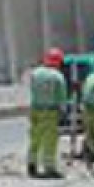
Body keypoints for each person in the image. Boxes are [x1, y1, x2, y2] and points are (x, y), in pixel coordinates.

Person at [28, 47, 67, 178]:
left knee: (35, 137)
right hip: (50, 111)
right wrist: (63, 113)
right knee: (50, 140)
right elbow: (62, 97)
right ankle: (49, 168)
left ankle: (31, 164)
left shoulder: (35, 73)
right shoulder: (58, 77)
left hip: (35, 109)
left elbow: (32, 91)